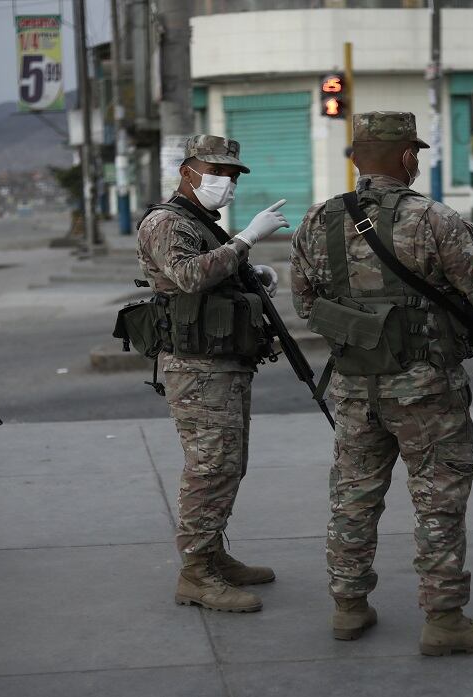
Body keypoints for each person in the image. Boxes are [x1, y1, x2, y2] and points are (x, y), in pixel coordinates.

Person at [289, 112, 473, 655]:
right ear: (407, 158)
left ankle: (348, 607)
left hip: (353, 387)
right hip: (426, 391)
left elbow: (304, 304)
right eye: (415, 152)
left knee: (353, 496)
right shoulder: (434, 219)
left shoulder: (317, 220)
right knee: (438, 502)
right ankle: (444, 620)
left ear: (357, 158)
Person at [135, 135, 288, 613]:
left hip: (222, 362)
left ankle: (213, 554)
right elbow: (186, 276)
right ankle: (196, 574)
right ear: (188, 173)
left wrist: (250, 272)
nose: (227, 184)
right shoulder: (166, 221)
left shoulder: (201, 223)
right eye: (217, 173)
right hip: (196, 366)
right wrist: (247, 239)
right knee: (209, 466)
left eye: (234, 176)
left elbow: (209, 277)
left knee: (228, 463)